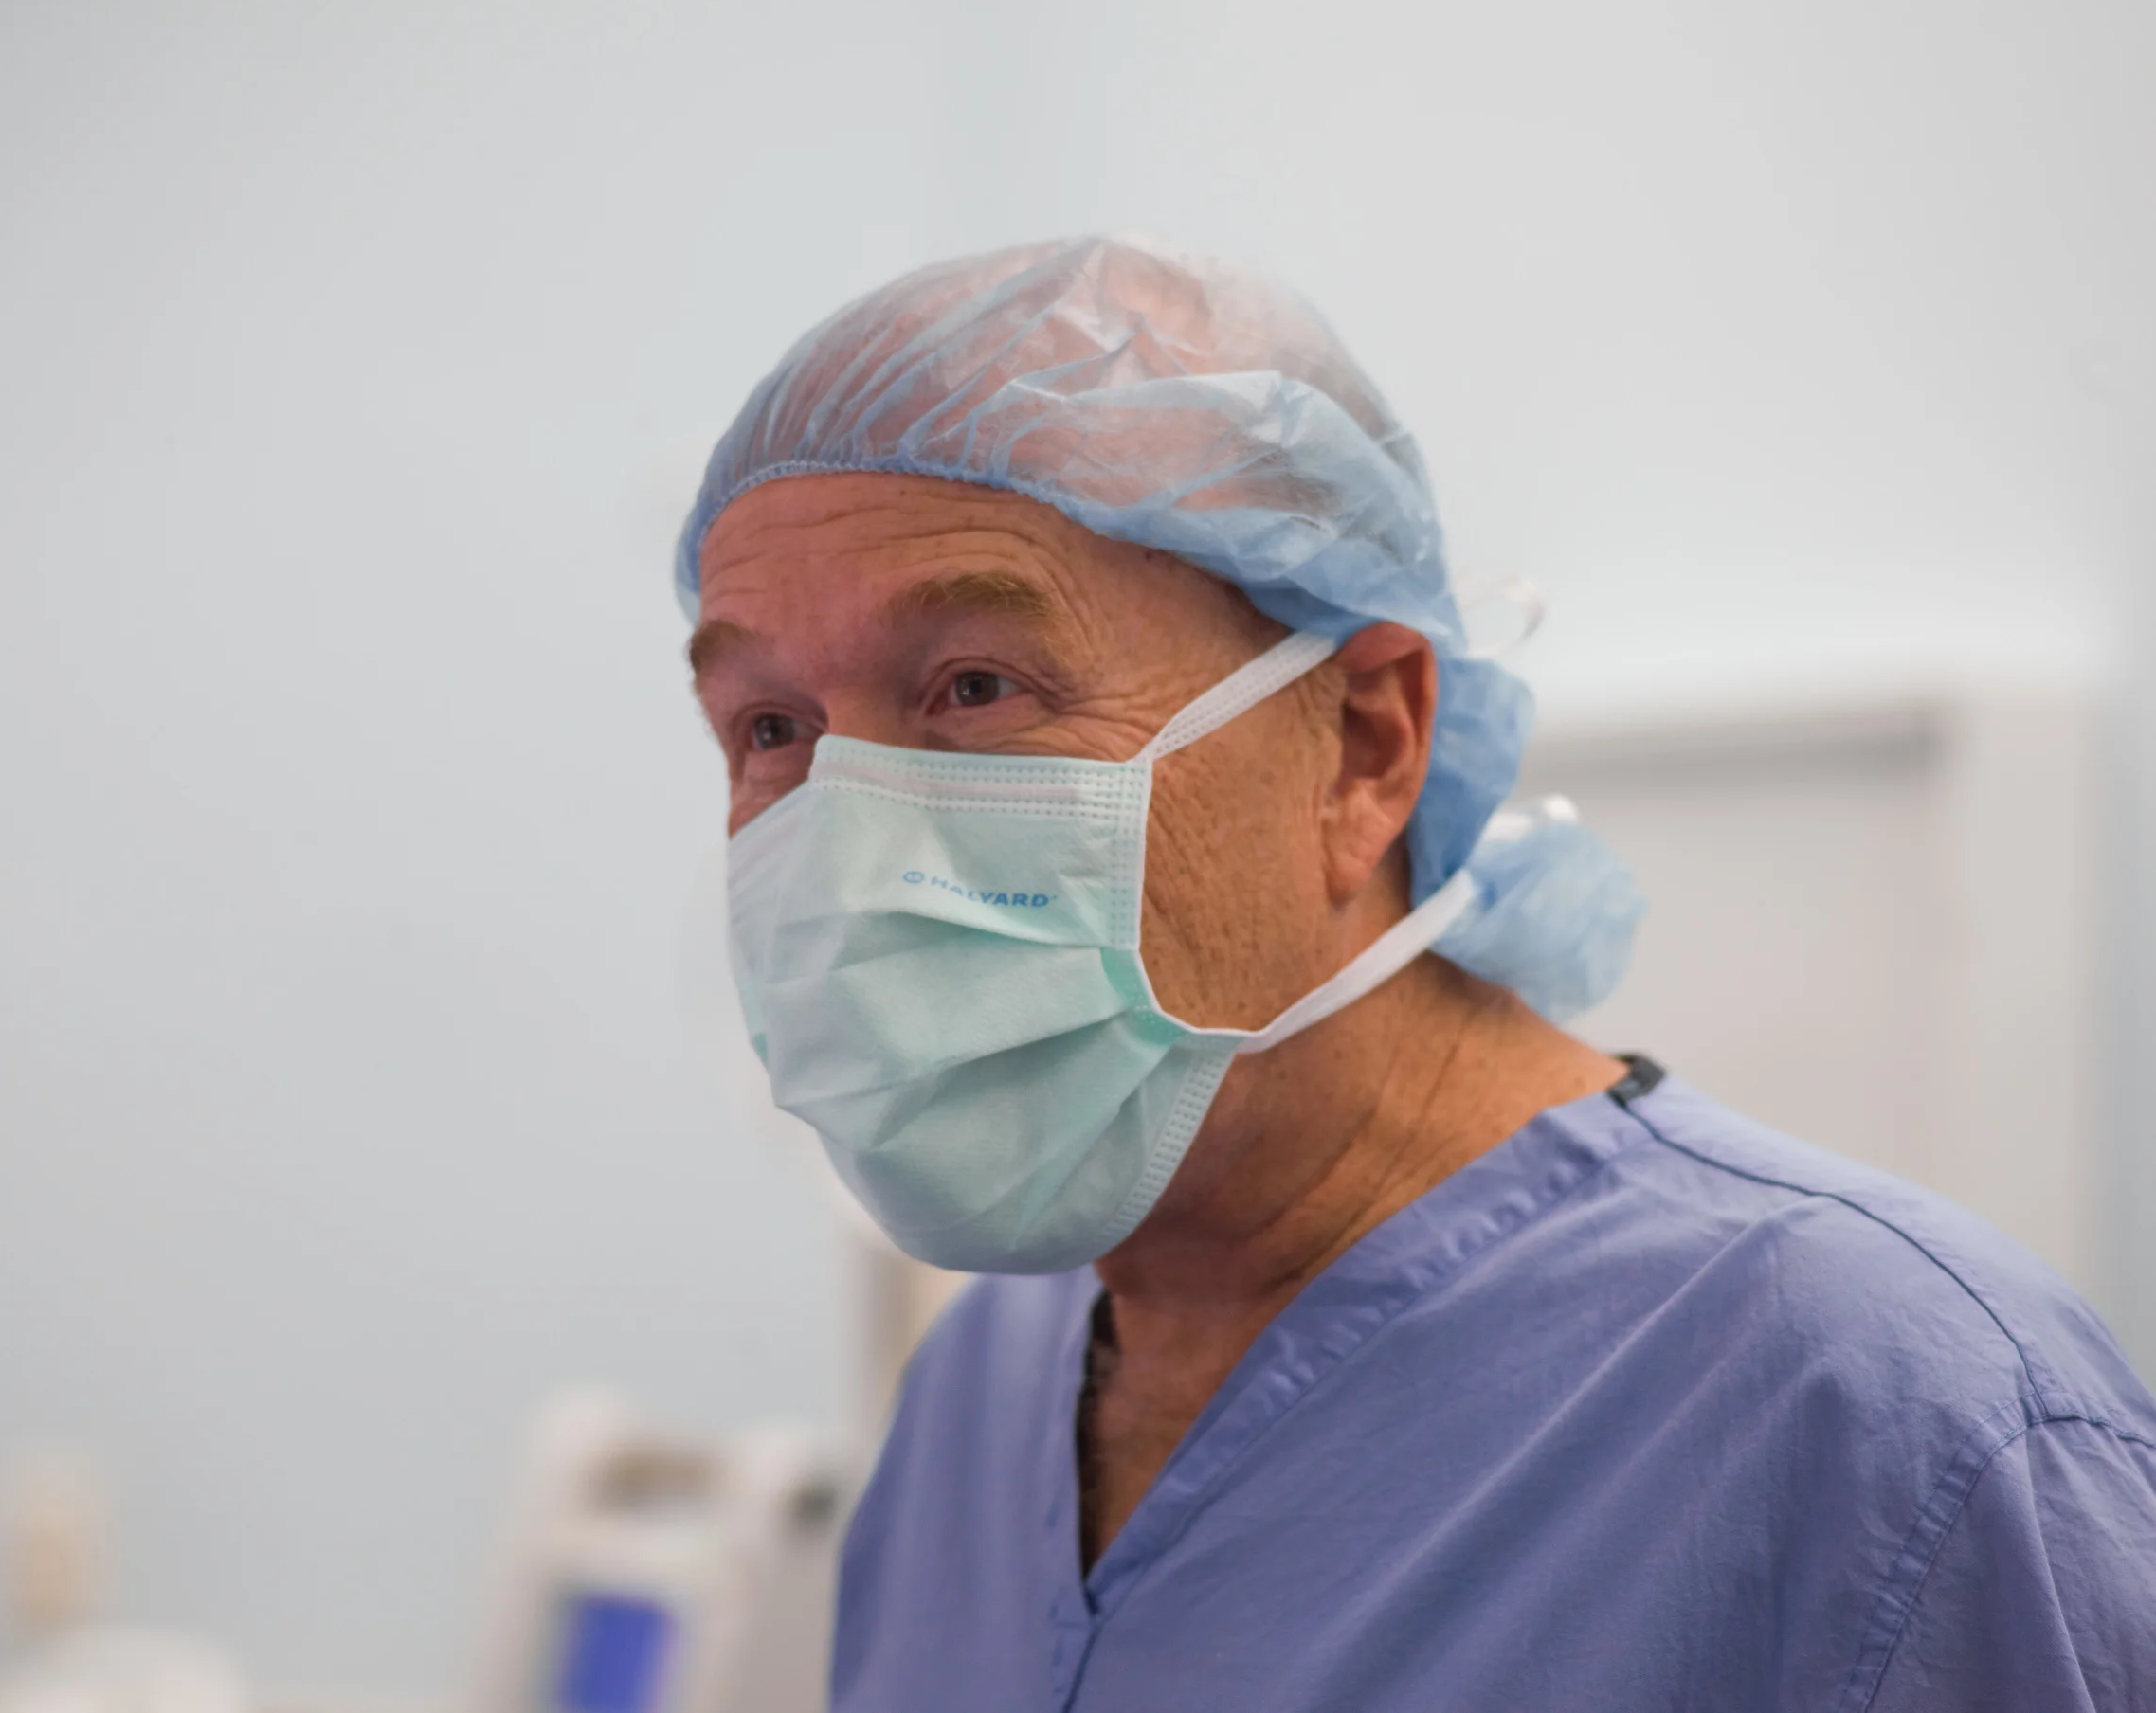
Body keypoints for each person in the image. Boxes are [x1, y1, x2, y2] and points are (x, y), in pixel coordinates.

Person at [676, 237, 2156, 1710]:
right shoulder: (983, 1392)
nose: (850, 842)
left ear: (1366, 743)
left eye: (978, 686)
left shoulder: (1903, 1425)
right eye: (770, 727)